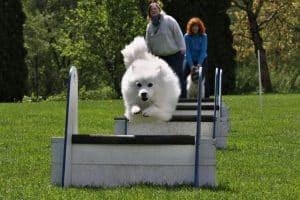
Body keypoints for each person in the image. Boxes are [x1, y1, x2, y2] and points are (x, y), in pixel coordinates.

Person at [145, 2, 186, 97]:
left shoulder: (168, 20)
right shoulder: (149, 27)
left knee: (178, 76)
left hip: (174, 54)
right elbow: (148, 43)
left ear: (159, 10)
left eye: (155, 8)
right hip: (159, 57)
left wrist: (182, 47)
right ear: (149, 13)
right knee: (161, 79)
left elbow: (178, 33)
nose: (153, 10)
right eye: (151, 9)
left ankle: (183, 99)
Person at [182, 17, 209, 98]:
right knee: (183, 76)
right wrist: (191, 65)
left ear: (199, 27)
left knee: (203, 78)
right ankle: (183, 96)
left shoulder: (204, 36)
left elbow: (203, 51)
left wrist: (199, 64)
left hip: (202, 59)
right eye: (193, 26)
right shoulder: (186, 36)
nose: (195, 28)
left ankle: (205, 97)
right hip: (189, 59)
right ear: (190, 27)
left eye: (197, 26)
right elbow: (187, 51)